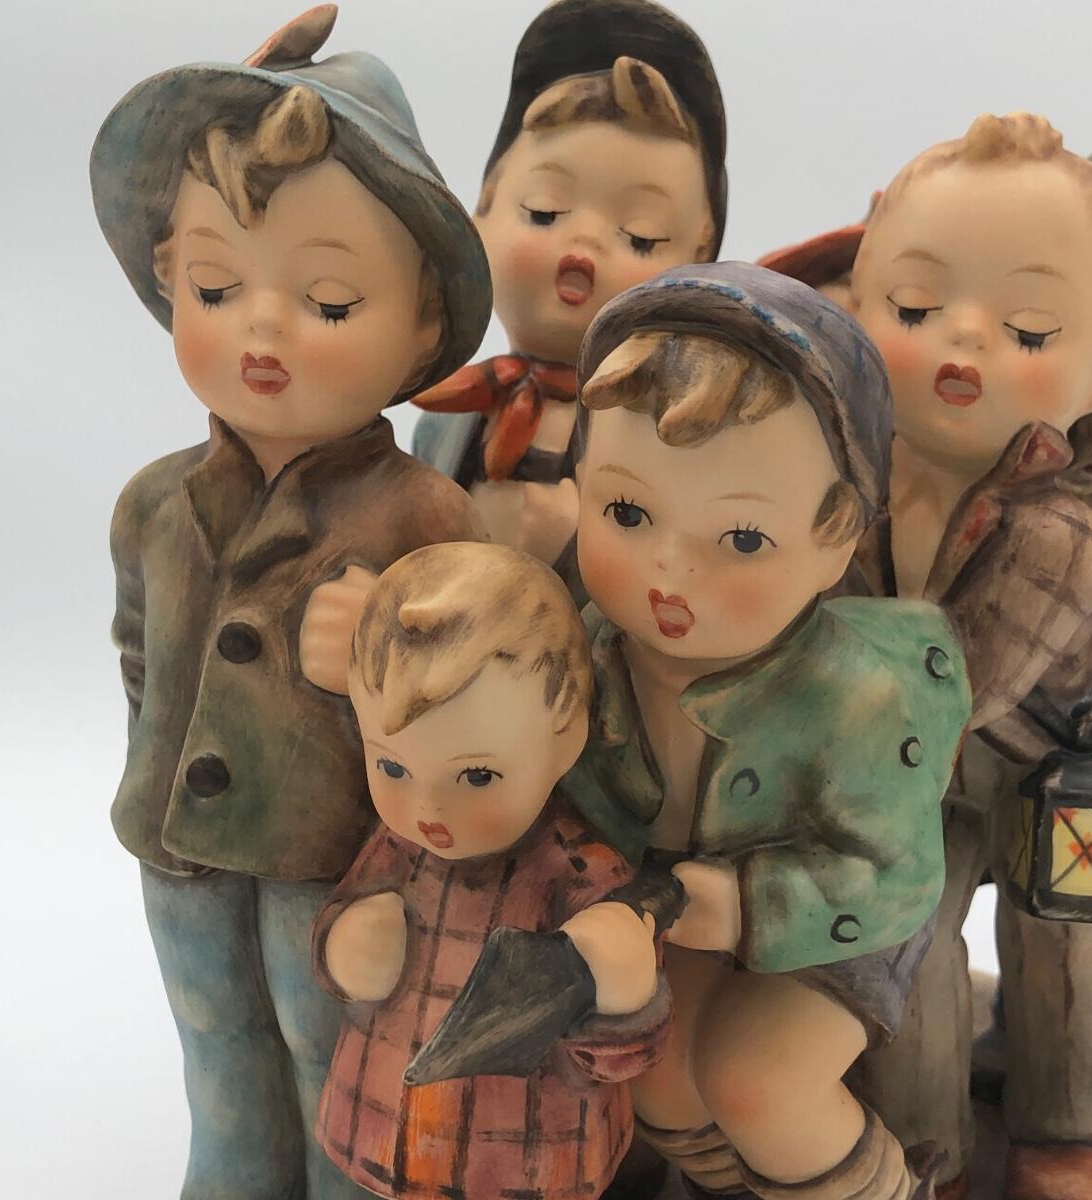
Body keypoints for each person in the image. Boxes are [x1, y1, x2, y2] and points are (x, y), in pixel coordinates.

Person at [90, 7, 489, 1195]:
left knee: (335, 1056)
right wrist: (154, 762)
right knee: (214, 1042)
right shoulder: (154, 504)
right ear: (169, 281)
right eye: (217, 286)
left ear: (422, 326)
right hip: (177, 849)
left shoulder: (424, 516)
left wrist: (384, 651)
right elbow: (138, 658)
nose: (263, 329)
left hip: (338, 861)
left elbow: (487, 698)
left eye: (329, 303)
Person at [560, 260, 971, 1200]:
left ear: (835, 539)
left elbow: (898, 874)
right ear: (579, 485)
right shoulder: (585, 656)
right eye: (627, 512)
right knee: (658, 1074)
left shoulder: (857, 698)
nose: (669, 571)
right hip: (673, 911)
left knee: (759, 1080)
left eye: (741, 539)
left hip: (836, 918)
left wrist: (750, 906)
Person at [847, 111, 1092, 1200]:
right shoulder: (844, 484)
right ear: (859, 300)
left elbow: (961, 683)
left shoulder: (1057, 534)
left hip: (1049, 760)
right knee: (902, 928)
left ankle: (1075, 1119)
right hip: (894, 772)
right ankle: (918, 1139)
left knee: (1072, 937)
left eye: (1030, 329)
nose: (962, 344)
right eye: (916, 308)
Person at [312, 541, 670, 1199]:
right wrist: (344, 947)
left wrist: (623, 988)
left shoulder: (580, 876)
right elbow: (340, 920)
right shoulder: (396, 848)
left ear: (566, 735)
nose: (428, 809)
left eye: (477, 775)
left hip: (525, 1157)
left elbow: (622, 1056)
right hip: (388, 1124)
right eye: (392, 766)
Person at [410, 0, 726, 601]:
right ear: (482, 212)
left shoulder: (676, 445)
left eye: (640, 237)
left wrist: (580, 544)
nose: (582, 246)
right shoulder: (444, 423)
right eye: (544, 212)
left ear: (700, 260)